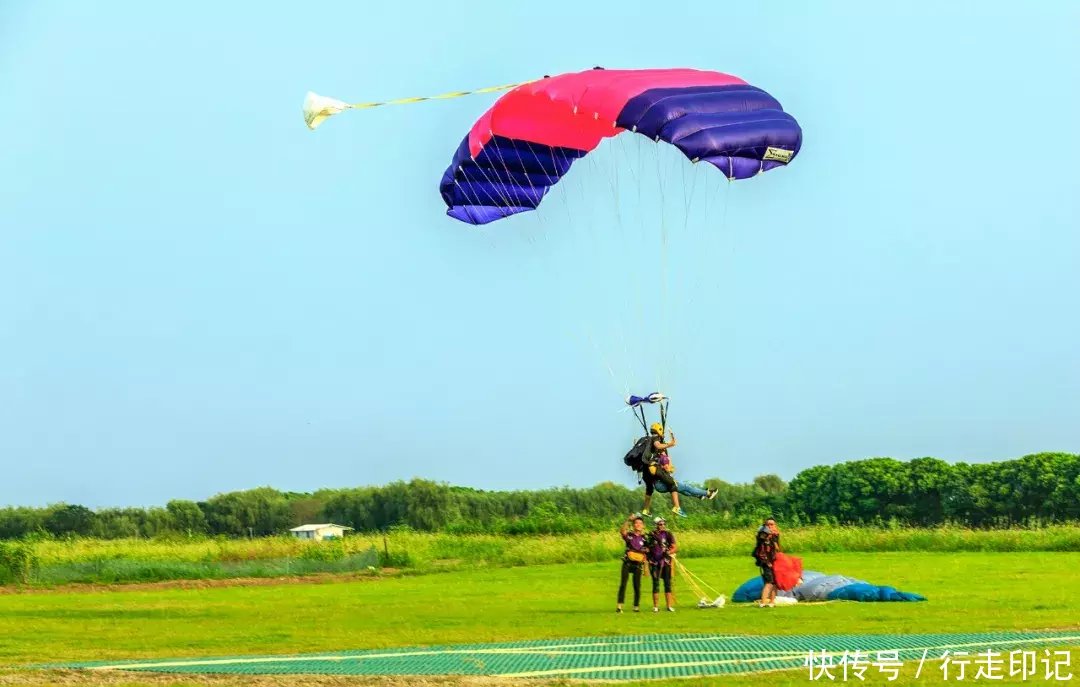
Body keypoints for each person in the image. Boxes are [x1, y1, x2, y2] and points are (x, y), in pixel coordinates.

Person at [640, 423, 717, 517]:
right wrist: (670, 444)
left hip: (658, 484)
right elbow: (659, 448)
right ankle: (707, 493)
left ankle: (699, 495)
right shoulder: (661, 455)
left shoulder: (652, 454)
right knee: (685, 487)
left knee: (683, 489)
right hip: (661, 483)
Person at [617, 514, 649, 613]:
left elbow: (648, 551)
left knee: (637, 585)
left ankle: (636, 606)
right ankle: (619, 606)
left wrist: (646, 565)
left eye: (640, 523)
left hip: (638, 564)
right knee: (623, 584)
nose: (638, 525)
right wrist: (628, 520)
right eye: (636, 523)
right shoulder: (630, 535)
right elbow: (622, 531)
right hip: (627, 562)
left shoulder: (645, 538)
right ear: (633, 525)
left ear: (643, 525)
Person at [647, 516, 678, 612]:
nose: (662, 526)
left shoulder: (668, 534)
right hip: (654, 562)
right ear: (656, 525)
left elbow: (675, 547)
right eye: (660, 524)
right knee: (656, 584)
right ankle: (656, 606)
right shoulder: (651, 535)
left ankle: (669, 606)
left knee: (667, 584)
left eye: (664, 524)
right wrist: (648, 559)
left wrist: (669, 552)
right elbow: (647, 548)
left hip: (665, 562)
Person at [753, 517, 781, 608]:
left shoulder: (775, 535)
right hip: (765, 561)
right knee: (769, 582)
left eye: (772, 524)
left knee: (775, 582)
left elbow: (777, 549)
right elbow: (761, 548)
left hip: (774, 561)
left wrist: (774, 538)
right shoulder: (762, 534)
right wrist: (766, 562)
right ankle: (763, 602)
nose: (770, 526)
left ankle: (772, 602)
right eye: (768, 524)